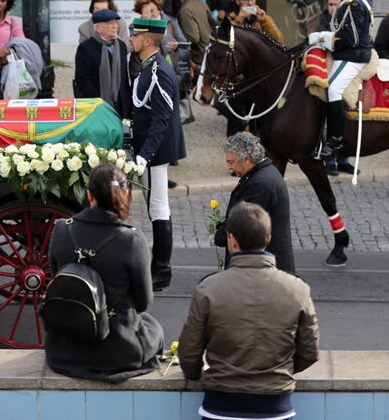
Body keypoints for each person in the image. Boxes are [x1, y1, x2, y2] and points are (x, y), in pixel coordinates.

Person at [179, 202, 319, 420]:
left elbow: (189, 352)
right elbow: (310, 351)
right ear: (268, 239)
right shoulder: (297, 289)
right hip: (276, 406)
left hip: (220, 404)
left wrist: (198, 373)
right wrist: (279, 371)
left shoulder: (208, 289)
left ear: (232, 240)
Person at [45, 163, 164, 383]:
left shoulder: (61, 229)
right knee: (154, 327)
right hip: (117, 349)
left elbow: (58, 280)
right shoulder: (132, 240)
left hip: (65, 348)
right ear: (125, 193)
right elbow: (143, 303)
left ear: (89, 195)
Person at [129, 17, 186, 291]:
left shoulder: (159, 70)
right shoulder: (149, 66)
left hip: (156, 151)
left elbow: (162, 118)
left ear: (148, 40)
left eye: (135, 35)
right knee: (156, 208)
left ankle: (162, 271)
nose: (131, 38)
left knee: (159, 208)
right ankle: (158, 269)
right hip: (150, 149)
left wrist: (145, 155)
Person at [314, 0, 375, 159]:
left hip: (353, 56)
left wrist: (324, 39)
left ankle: (335, 140)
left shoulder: (354, 3)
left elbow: (351, 39)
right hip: (346, 52)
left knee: (333, 89)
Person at [215, 132, 294, 272]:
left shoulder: (260, 184)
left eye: (231, 162)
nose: (229, 167)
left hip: (264, 269)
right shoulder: (263, 174)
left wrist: (221, 235)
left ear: (247, 160)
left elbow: (244, 222)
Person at [318, 0, 355, 175]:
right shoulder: (324, 20)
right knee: (329, 118)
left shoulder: (349, 19)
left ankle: (344, 157)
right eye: (331, 5)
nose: (333, 8)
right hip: (329, 70)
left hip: (346, 69)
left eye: (336, 5)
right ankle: (330, 159)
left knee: (347, 115)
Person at [73, 9, 131, 118]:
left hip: (120, 104)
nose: (114, 26)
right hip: (97, 104)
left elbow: (124, 77)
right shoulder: (86, 48)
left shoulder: (121, 46)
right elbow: (83, 79)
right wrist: (97, 101)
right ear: (98, 28)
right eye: (110, 23)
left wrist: (127, 102)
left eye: (115, 23)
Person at [173, 0, 215, 72]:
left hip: (198, 62)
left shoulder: (186, 10)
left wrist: (176, 41)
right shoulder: (201, 3)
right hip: (209, 57)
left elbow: (193, 38)